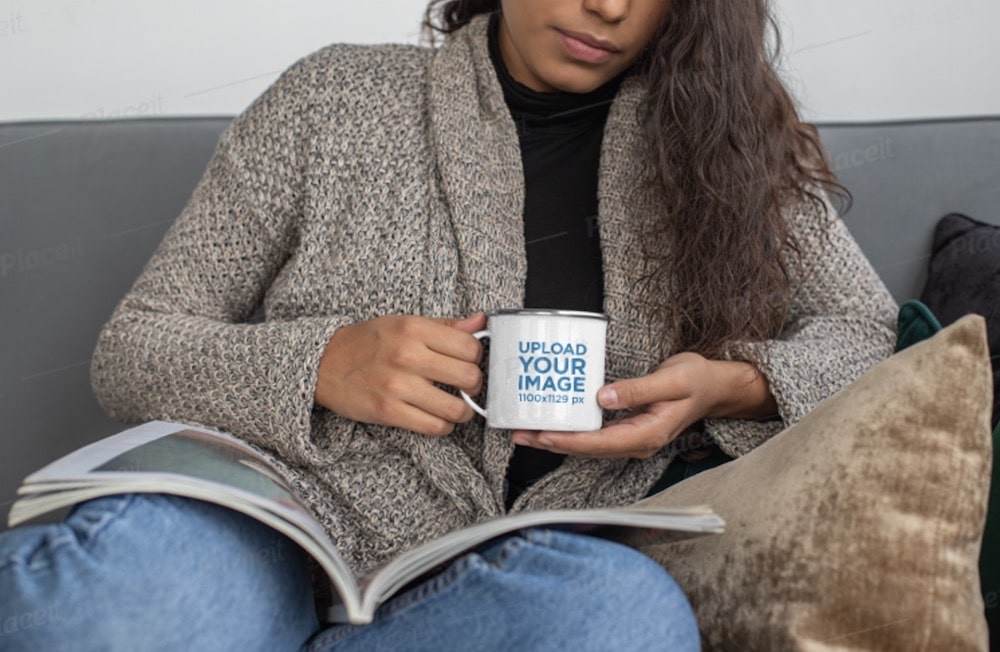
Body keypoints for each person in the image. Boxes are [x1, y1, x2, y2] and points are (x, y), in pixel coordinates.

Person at [0, 0, 898, 649]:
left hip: (525, 581)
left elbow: (865, 330)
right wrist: (320, 361)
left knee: (618, 617)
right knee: (111, 588)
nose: (609, 6)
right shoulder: (332, 99)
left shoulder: (728, 148)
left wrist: (733, 383)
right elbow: (134, 346)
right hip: (274, 532)